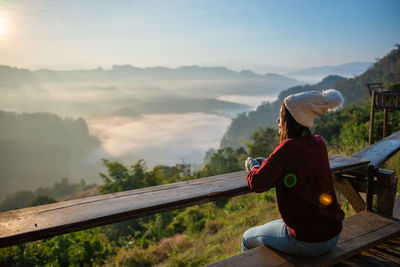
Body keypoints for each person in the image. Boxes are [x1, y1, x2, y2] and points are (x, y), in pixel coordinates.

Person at [242, 89, 345, 256]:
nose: (278, 121)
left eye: (282, 117)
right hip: (333, 233)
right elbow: (295, 164)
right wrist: (268, 164)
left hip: (308, 241)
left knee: (247, 238)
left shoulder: (287, 148)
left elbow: (257, 183)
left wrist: (253, 167)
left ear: (292, 120)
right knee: (274, 227)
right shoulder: (319, 143)